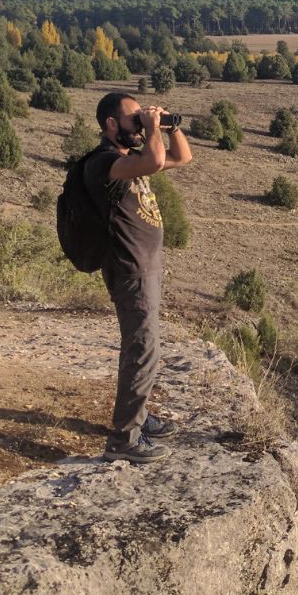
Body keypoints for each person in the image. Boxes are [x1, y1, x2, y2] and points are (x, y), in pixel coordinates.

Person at [86, 91, 193, 462]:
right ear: (111, 124)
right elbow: (156, 158)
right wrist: (151, 131)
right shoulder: (104, 164)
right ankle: (123, 439)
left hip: (145, 267)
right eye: (134, 120)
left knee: (140, 346)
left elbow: (181, 157)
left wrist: (168, 125)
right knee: (143, 350)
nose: (140, 126)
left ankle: (140, 415)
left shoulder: (128, 157)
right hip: (129, 270)